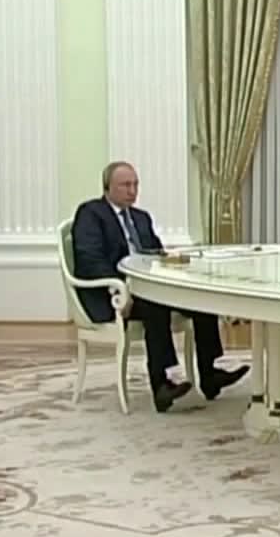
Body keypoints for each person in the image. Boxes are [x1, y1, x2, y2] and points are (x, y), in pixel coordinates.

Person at [71, 162, 247, 412]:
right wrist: (119, 288)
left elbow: (154, 253)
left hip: (145, 286)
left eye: (135, 185)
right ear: (107, 187)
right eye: (125, 185)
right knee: (155, 304)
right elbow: (90, 260)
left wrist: (175, 262)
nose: (132, 191)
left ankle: (210, 374)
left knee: (200, 298)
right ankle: (162, 384)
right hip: (112, 293)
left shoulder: (141, 218)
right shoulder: (91, 214)